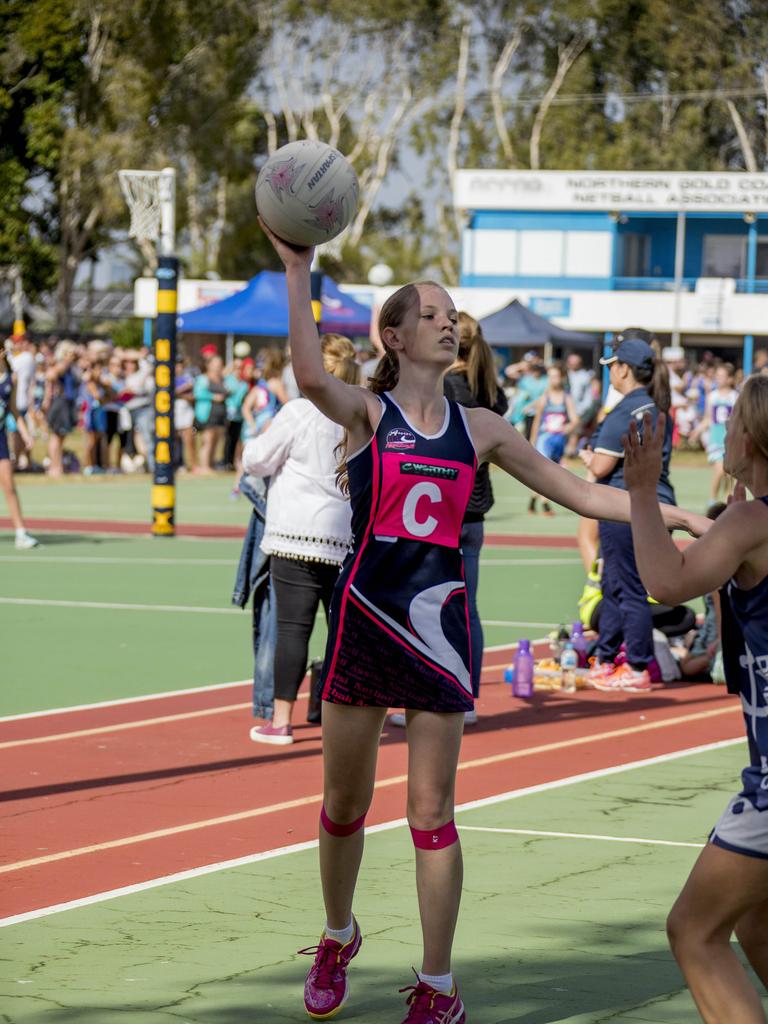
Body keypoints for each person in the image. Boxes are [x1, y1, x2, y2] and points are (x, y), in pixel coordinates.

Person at [260, 219, 706, 1024]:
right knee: (342, 806)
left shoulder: (483, 429)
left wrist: (677, 514)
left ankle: (438, 987)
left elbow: (586, 493)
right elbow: (304, 372)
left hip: (440, 632)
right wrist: (300, 270)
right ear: (392, 336)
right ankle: (338, 932)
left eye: (449, 311)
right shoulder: (366, 412)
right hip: (365, 621)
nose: (445, 319)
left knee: (431, 814)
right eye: (429, 311)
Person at [623, 373, 768, 1024]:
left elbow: (663, 580)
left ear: (752, 434)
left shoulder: (748, 522)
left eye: (733, 420)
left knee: (694, 930)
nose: (723, 432)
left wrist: (640, 491)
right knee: (756, 923)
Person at [389, 311, 507, 728]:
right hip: (474, 510)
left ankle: (433, 693)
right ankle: (466, 692)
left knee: (427, 604)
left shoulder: (451, 392)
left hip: (448, 509)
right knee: (464, 606)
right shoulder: (489, 385)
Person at [244, 335, 358, 745]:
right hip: (344, 534)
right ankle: (336, 712)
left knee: (293, 628)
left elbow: (256, 459)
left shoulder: (298, 412)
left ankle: (281, 719)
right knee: (341, 631)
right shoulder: (360, 413)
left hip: (295, 532)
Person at [579, 329, 675, 694]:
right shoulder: (654, 405)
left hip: (624, 505)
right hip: (653, 504)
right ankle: (607, 659)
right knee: (616, 585)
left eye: (613, 367)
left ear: (623, 369)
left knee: (627, 588)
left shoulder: (624, 410)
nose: (610, 374)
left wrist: (587, 456)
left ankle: (635, 664)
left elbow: (602, 466)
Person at [528, 362, 578, 515]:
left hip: (559, 440)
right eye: (550, 376)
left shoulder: (566, 398)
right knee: (547, 473)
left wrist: (568, 428)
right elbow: (537, 421)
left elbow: (575, 419)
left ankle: (533, 500)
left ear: (562, 377)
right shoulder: (545, 397)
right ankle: (545, 505)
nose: (553, 379)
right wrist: (532, 440)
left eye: (555, 376)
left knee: (552, 473)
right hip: (545, 439)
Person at [0, 348, 38, 548]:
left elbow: (13, 410)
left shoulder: (10, 378)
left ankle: (21, 533)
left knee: (9, 485)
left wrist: (25, 434)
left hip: (0, 438)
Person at [692, 363, 739, 503]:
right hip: (716, 440)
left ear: (730, 379)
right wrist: (697, 431)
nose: (718, 378)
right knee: (720, 469)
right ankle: (712, 499)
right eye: (717, 375)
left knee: (730, 474)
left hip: (731, 440)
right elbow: (707, 419)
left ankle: (727, 501)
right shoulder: (712, 396)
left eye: (722, 376)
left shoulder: (735, 397)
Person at [193, 354, 227, 473]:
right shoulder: (203, 378)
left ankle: (210, 464)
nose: (218, 366)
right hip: (207, 414)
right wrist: (213, 397)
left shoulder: (223, 378)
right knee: (207, 440)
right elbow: (197, 393)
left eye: (220, 364)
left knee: (216, 441)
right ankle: (204, 466)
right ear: (209, 365)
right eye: (215, 364)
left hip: (220, 414)